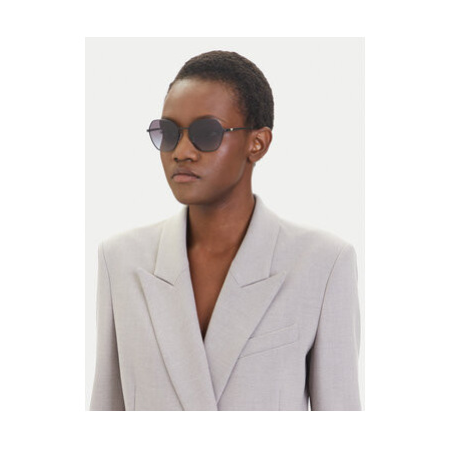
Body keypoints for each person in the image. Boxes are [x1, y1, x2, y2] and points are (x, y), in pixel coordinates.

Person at [89, 50, 362, 411]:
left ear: (257, 143)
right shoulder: (121, 260)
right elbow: (106, 408)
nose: (181, 152)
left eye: (207, 133)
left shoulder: (322, 263)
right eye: (168, 133)